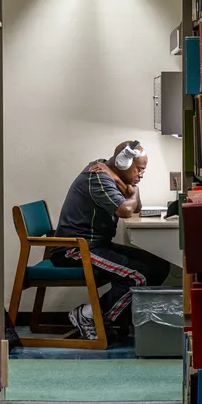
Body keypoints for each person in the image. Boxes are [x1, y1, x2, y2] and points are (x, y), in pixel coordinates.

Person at [50, 140, 172, 341]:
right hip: (74, 248)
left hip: (96, 245)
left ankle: (111, 319)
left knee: (158, 266)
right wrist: (132, 190)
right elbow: (126, 210)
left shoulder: (107, 171)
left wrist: (131, 187)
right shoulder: (98, 177)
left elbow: (136, 207)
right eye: (139, 170)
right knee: (137, 276)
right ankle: (88, 315)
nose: (141, 175)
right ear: (123, 163)